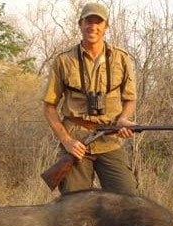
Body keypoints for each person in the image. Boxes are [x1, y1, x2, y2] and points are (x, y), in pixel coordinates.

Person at [42, 2, 138, 195]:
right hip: (76, 141)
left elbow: (130, 98)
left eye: (98, 22)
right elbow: (49, 106)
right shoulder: (64, 60)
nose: (93, 26)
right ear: (80, 24)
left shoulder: (121, 58)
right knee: (74, 207)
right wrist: (67, 141)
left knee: (129, 201)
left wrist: (123, 120)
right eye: (88, 21)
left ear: (106, 26)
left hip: (109, 140)